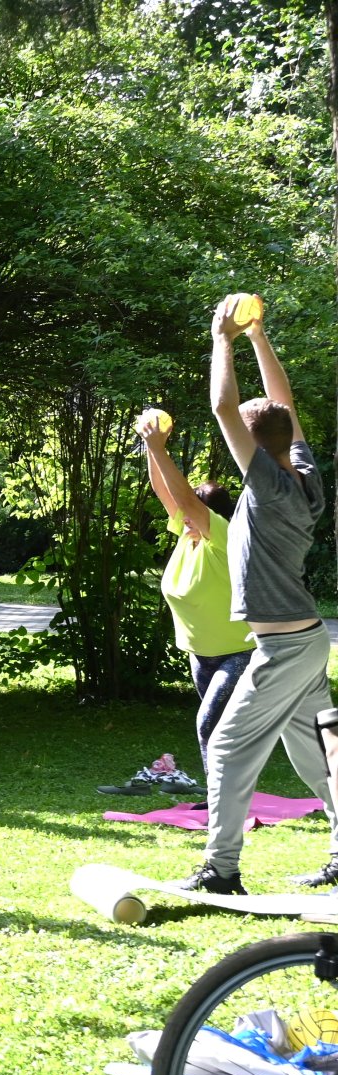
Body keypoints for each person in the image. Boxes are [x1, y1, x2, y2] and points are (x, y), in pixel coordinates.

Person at [179, 294, 338, 893]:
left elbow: (224, 404)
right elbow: (285, 408)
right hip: (303, 638)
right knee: (315, 752)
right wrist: (258, 337)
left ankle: (222, 871)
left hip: (282, 647)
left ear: (250, 444)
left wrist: (222, 335)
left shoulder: (269, 484)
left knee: (224, 752)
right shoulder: (302, 472)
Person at [134, 411, 253, 791]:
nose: (181, 516)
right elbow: (165, 492)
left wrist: (157, 447)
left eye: (189, 513)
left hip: (238, 654)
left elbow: (183, 496)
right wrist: (153, 450)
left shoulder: (222, 535)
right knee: (217, 729)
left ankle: (222, 797)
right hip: (201, 654)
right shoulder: (189, 536)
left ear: (207, 513)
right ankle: (223, 794)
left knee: (208, 725)